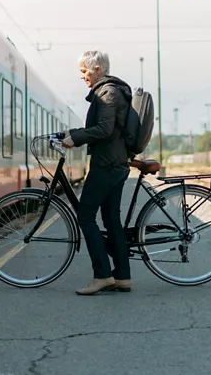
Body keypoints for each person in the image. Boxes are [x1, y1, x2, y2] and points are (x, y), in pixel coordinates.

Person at [62, 50, 133, 295]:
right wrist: (67, 134)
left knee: (85, 217)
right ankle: (122, 277)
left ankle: (103, 275)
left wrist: (77, 139)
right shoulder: (109, 91)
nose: (82, 76)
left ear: (98, 70)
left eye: (84, 71)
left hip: (107, 165)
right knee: (112, 221)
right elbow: (101, 127)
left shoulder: (108, 92)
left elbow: (103, 129)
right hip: (115, 163)